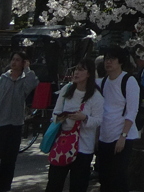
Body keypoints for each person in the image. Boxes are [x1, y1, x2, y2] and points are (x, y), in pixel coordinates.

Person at [0, 50, 39, 192]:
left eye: (18, 60)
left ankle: (3, 188)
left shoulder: (25, 79)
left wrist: (27, 68)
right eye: (13, 59)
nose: (14, 62)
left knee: (9, 161)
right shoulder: (2, 79)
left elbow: (33, 83)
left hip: (15, 126)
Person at [46, 58, 104, 192]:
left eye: (81, 69)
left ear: (89, 74)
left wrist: (84, 118)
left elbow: (99, 120)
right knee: (54, 183)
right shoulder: (67, 89)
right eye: (76, 69)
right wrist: (60, 117)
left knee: (78, 185)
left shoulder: (95, 96)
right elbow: (55, 112)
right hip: (63, 145)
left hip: (83, 148)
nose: (76, 73)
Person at [96, 47, 140, 192]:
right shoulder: (102, 82)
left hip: (122, 136)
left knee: (118, 177)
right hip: (105, 136)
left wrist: (123, 136)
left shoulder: (128, 81)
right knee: (104, 177)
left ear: (120, 62)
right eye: (106, 59)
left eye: (112, 59)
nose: (108, 62)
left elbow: (132, 110)